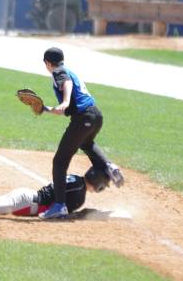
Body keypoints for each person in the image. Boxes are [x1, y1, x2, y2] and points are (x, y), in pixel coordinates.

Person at [40, 47, 124, 220]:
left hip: (83, 118)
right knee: (86, 143)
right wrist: (45, 109)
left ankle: (59, 205)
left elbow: (67, 85)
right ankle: (108, 165)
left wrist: (64, 100)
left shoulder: (58, 72)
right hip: (95, 115)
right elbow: (66, 110)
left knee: (60, 161)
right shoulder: (67, 70)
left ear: (48, 63)